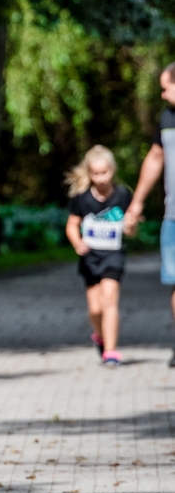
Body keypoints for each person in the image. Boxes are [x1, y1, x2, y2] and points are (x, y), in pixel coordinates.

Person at [125, 62, 175, 366]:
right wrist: (137, 202)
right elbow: (156, 157)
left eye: (166, 87)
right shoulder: (167, 118)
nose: (162, 93)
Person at [65, 145, 132, 367]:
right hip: (90, 257)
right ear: (89, 173)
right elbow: (72, 225)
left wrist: (131, 226)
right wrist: (77, 242)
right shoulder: (82, 198)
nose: (101, 178)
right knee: (95, 309)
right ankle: (100, 336)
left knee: (109, 300)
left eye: (105, 172)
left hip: (113, 255)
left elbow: (132, 227)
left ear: (113, 170)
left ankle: (111, 351)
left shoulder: (123, 195)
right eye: (96, 173)